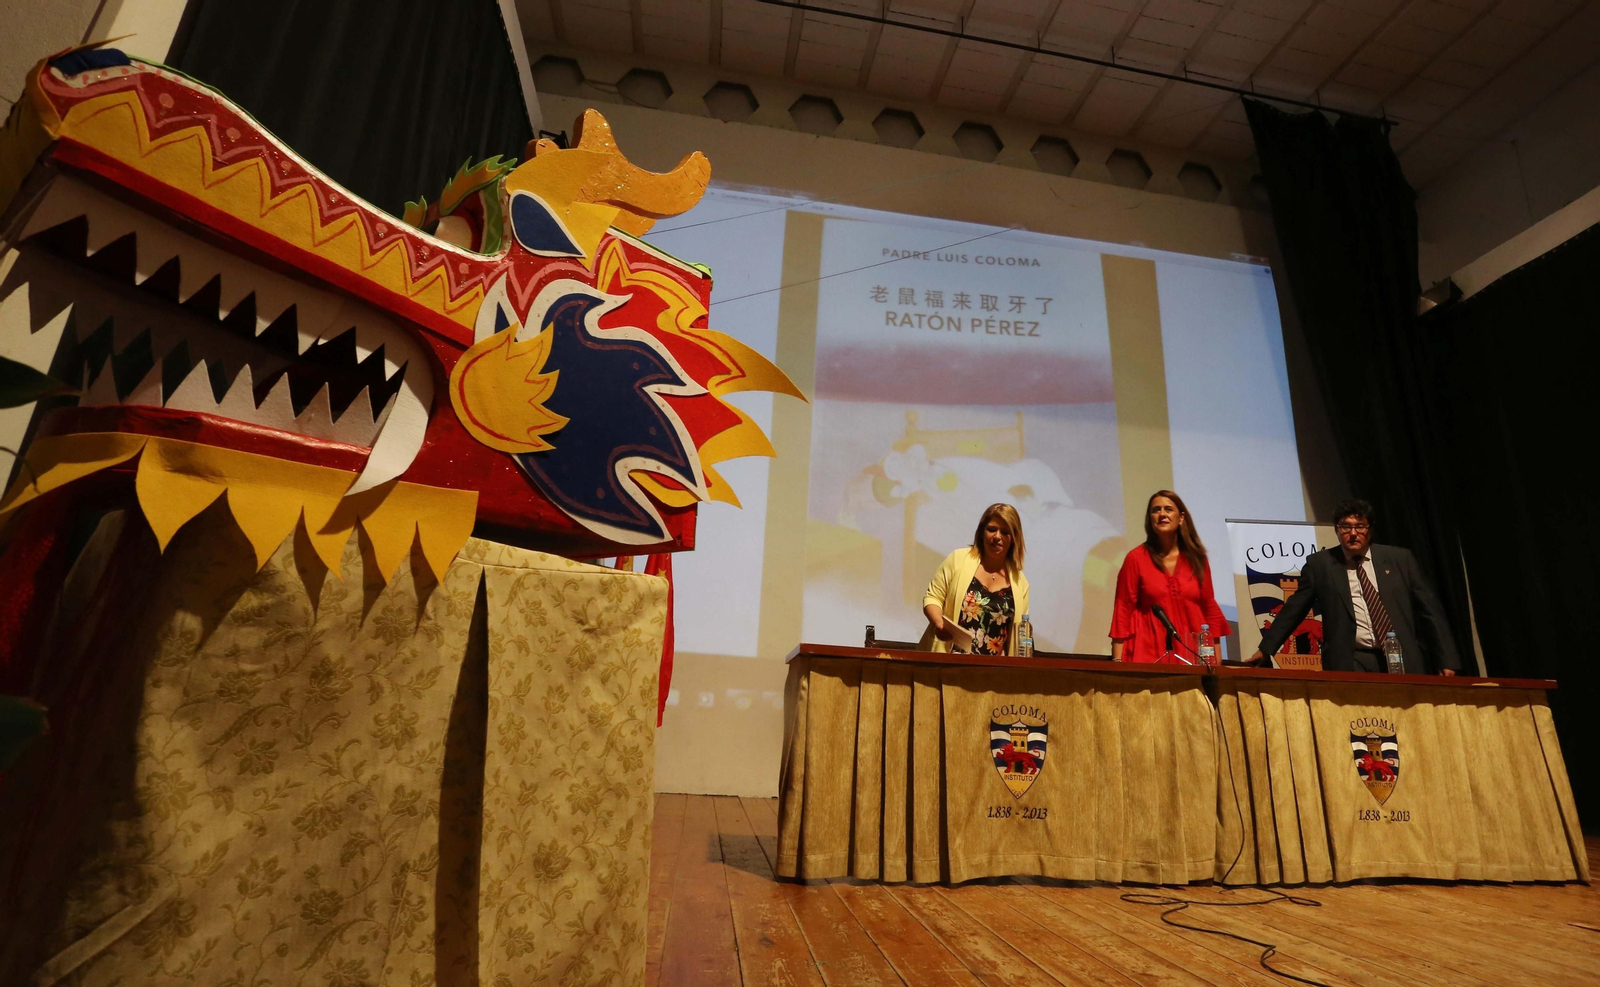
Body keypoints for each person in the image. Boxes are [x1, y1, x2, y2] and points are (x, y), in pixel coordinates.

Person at [1250, 499, 1461, 675]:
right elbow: (1293, 610)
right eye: (1346, 527)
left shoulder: (1400, 559)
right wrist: (1265, 649)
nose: (1353, 533)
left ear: (1370, 530)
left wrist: (1447, 660)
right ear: (1336, 530)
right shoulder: (1320, 565)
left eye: (1360, 526)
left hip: (1400, 657)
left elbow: (1430, 611)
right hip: (1351, 660)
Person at [1109, 490, 1229, 663]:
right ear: (1150, 519)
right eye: (1156, 510)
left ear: (1181, 518)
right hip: (1148, 652)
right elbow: (1123, 610)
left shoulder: (1197, 559)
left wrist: (1216, 661)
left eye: (1168, 509)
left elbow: (1209, 608)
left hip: (1192, 652)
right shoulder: (1136, 558)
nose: (1162, 514)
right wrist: (1117, 661)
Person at [921, 503, 1031, 656]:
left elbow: (1019, 634)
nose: (997, 536)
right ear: (981, 532)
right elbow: (932, 598)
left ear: (1014, 538)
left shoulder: (1020, 582)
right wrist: (939, 624)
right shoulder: (958, 559)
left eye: (1005, 532)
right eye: (991, 529)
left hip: (991, 669)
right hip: (947, 661)